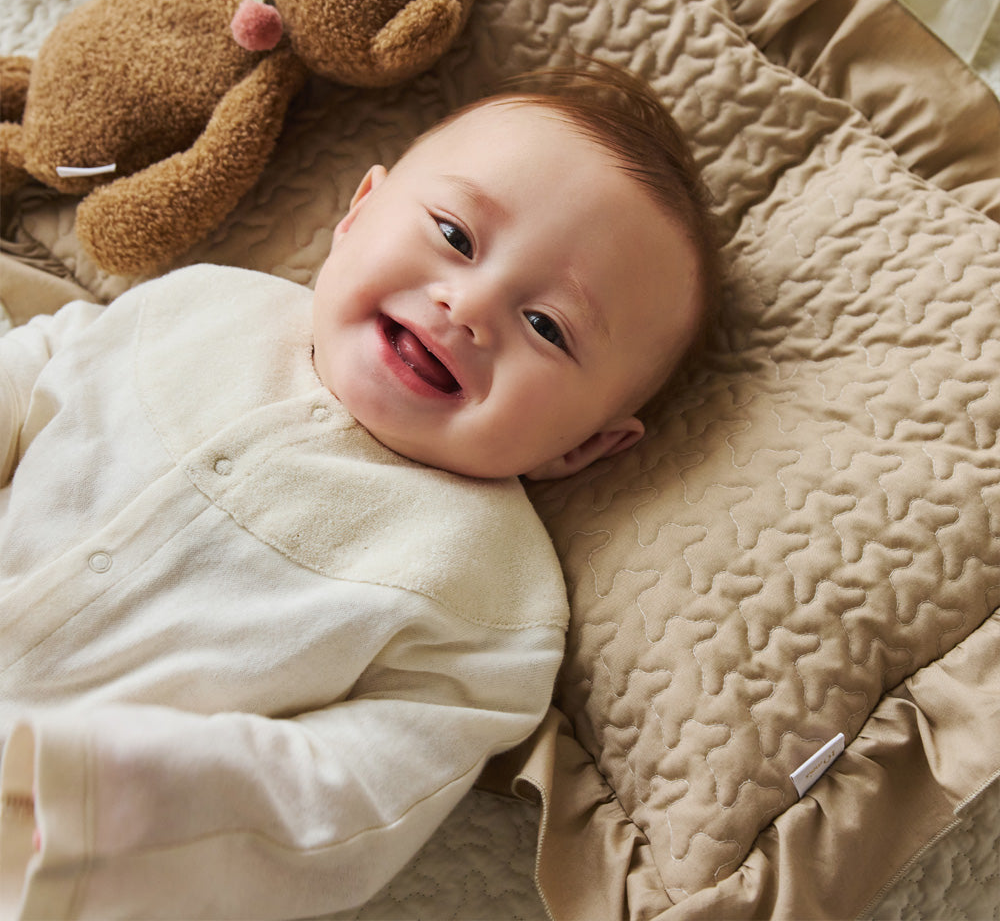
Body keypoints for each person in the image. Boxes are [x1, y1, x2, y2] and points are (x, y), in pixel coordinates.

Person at [0, 61, 717, 919]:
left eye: (546, 325)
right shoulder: (205, 305)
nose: (468, 305)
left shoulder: (495, 597)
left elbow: (351, 799)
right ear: (358, 213)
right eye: (455, 236)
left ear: (585, 447)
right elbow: (41, 367)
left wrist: (112, 800)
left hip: (55, 850)